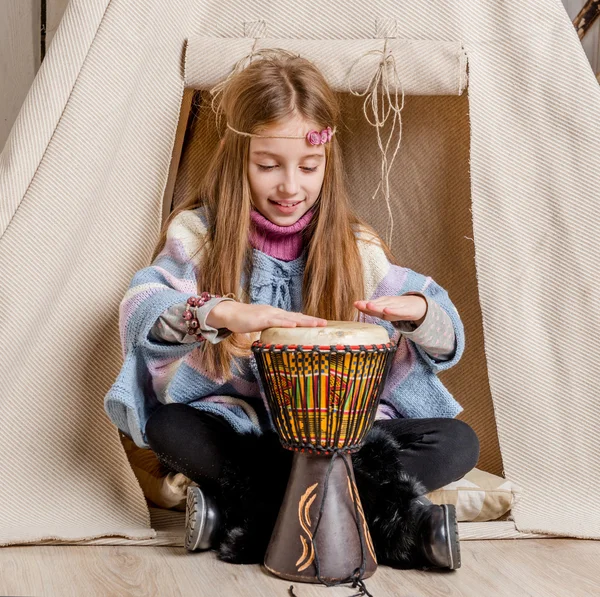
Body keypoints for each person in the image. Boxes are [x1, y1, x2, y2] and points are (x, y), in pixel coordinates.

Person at [104, 50, 479, 572]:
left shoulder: (354, 247)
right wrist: (220, 314)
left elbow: (447, 333)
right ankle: (397, 525)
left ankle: (240, 514)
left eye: (309, 166)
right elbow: (142, 307)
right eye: (268, 166)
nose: (291, 187)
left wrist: (418, 312)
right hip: (245, 431)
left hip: (336, 438)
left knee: (456, 441)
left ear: (328, 160)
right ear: (240, 160)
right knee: (169, 426)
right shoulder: (199, 236)